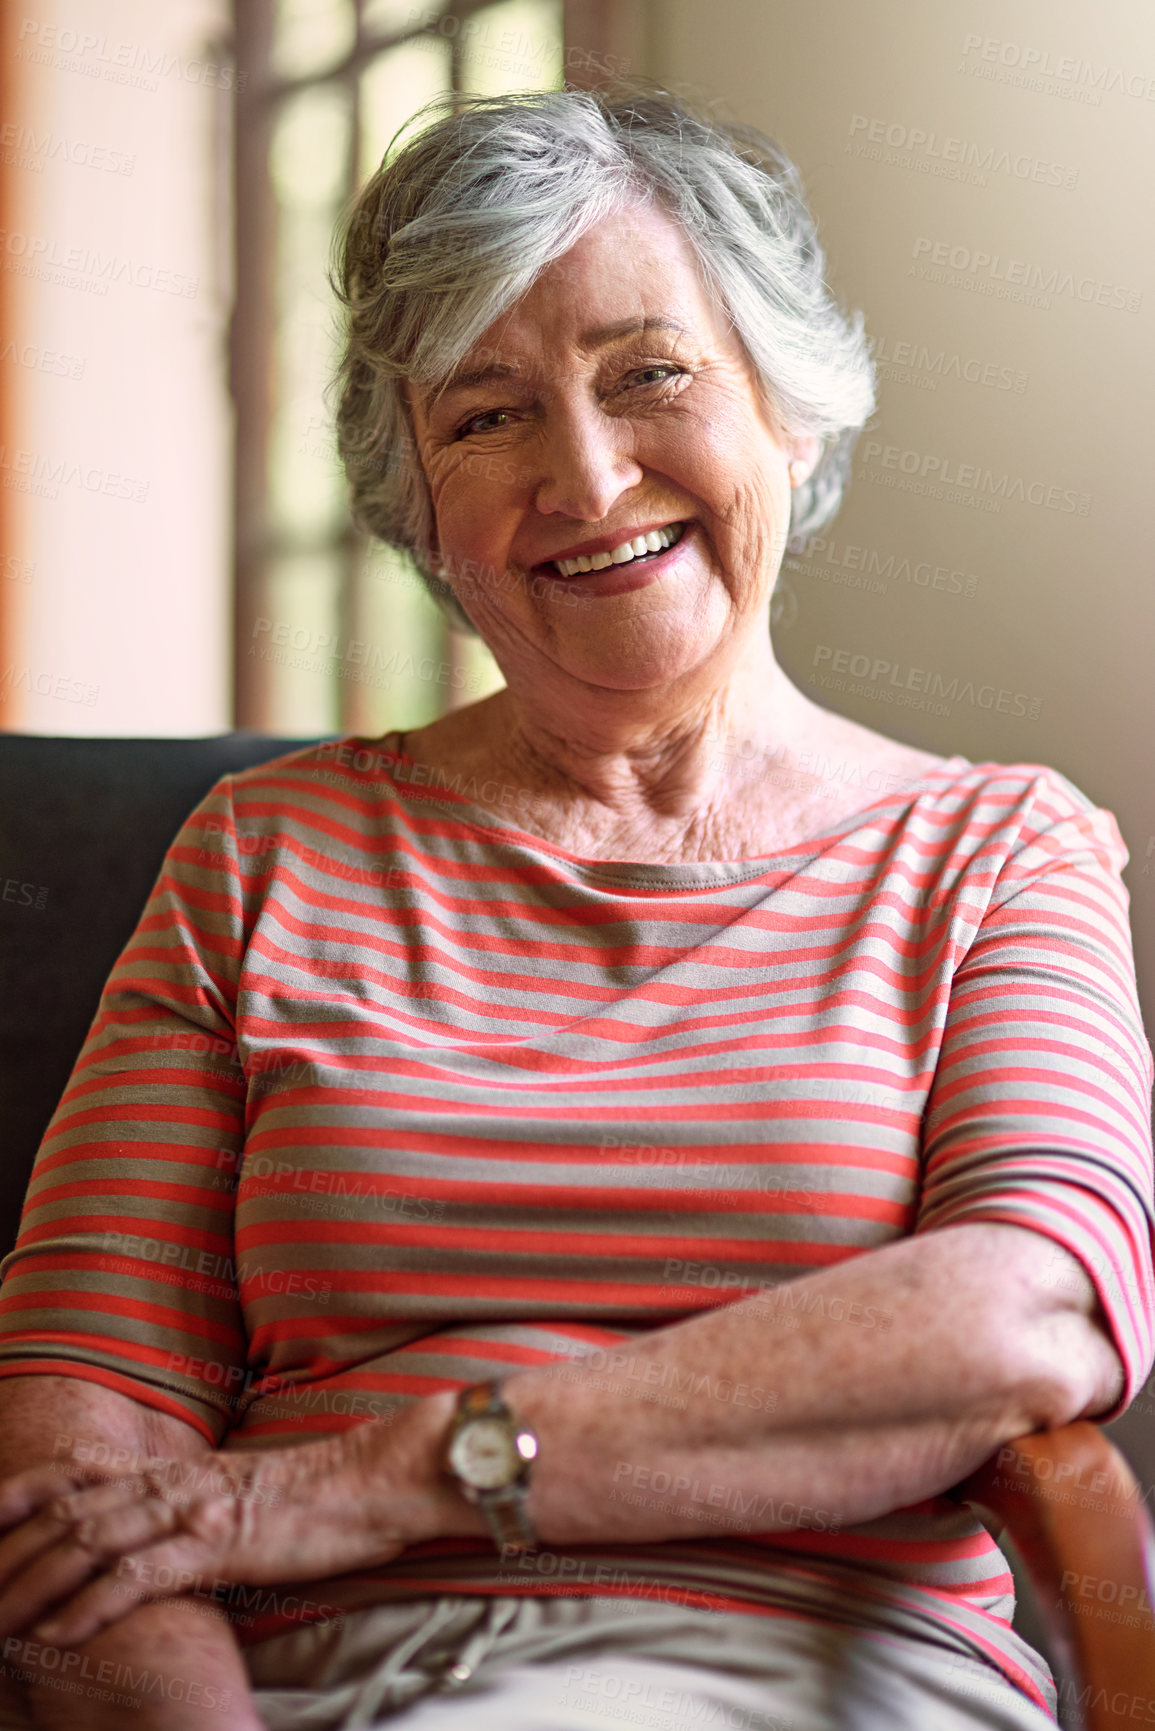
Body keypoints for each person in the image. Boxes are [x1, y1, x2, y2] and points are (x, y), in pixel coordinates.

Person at [0, 84, 1150, 1731]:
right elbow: (74, 1437)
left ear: (790, 410)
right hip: (311, 1693)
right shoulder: (261, 857)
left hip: (812, 1685)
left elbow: (1030, 1311)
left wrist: (404, 1474)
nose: (590, 476)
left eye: (651, 375)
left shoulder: (996, 852)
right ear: (423, 515)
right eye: (487, 415)